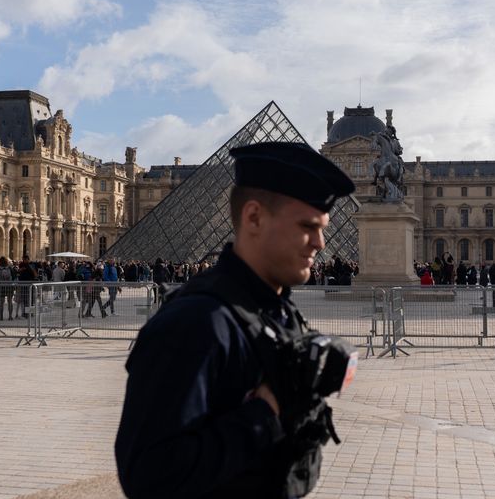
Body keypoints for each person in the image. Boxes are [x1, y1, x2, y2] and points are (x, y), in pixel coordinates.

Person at [115, 141, 357, 498]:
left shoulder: (280, 312)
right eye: (308, 226)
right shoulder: (196, 323)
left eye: (323, 228)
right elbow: (149, 476)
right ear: (254, 217)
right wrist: (264, 412)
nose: (320, 243)